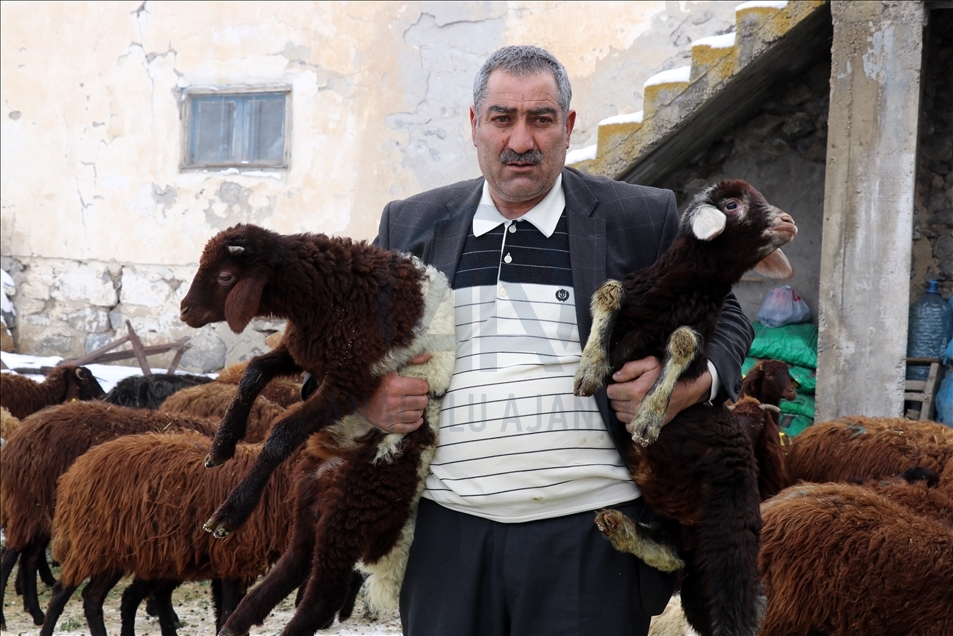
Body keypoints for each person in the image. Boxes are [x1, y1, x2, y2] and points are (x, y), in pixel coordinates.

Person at [359, 45, 753, 635]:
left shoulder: (639, 218)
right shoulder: (411, 224)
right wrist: (369, 397)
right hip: (447, 540)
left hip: (591, 541)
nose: (521, 140)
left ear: (568, 128)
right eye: (502, 118)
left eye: (541, 119)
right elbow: (327, 349)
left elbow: (730, 316)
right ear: (475, 125)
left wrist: (687, 387)